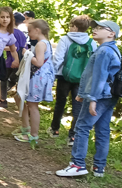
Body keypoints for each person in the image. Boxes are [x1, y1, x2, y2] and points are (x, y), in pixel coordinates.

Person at [56, 20, 122, 178]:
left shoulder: (103, 51)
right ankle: (99, 167)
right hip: (109, 96)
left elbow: (99, 77)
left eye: (100, 28)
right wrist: (82, 93)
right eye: (95, 27)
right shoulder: (113, 50)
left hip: (99, 96)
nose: (95, 30)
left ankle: (77, 164)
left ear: (111, 34)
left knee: (82, 127)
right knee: (103, 130)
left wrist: (92, 99)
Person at [48, 15, 96, 145]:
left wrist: (52, 74)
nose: (70, 28)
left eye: (71, 25)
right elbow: (93, 62)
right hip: (82, 78)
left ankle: (55, 129)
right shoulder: (91, 42)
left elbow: (58, 59)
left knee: (60, 102)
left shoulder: (65, 39)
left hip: (64, 76)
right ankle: (73, 136)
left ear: (75, 27)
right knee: (78, 106)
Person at [14, 20, 54, 147]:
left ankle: (33, 135)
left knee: (32, 105)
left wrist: (27, 54)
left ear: (37, 30)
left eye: (30, 31)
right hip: (39, 77)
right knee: (19, 97)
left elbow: (39, 62)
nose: (29, 34)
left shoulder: (40, 44)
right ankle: (26, 127)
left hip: (37, 77)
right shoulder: (45, 43)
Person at [0, 12, 27, 109]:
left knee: (4, 79)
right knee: (14, 79)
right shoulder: (22, 34)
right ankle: (16, 100)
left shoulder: (11, 32)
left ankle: (3, 100)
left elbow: (14, 48)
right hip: (21, 60)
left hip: (12, 60)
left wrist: (0, 47)